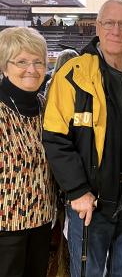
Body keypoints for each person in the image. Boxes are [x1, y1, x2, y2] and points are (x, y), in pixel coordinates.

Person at [42, 0, 122, 277]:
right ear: (96, 27)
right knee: (89, 271)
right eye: (108, 23)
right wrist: (77, 191)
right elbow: (54, 138)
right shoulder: (72, 75)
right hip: (91, 197)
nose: (115, 30)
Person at [0, 27, 55, 277]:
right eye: (21, 61)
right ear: (4, 66)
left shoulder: (45, 106)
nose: (31, 69)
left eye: (38, 62)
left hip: (42, 221)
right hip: (5, 227)